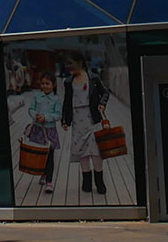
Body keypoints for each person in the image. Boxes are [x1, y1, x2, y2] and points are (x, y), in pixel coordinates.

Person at [62, 60, 113, 196]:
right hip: (78, 119)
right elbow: (66, 101)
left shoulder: (93, 78)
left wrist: (102, 103)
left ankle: (99, 181)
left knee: (96, 151)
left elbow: (105, 93)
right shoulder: (68, 82)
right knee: (82, 151)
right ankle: (86, 182)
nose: (70, 68)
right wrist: (65, 120)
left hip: (93, 117)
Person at [25, 72, 62, 195]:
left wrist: (46, 117)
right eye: (43, 83)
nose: (45, 86)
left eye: (48, 83)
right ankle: (43, 174)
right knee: (40, 154)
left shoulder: (56, 99)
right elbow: (31, 109)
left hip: (49, 130)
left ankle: (49, 181)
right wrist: (35, 115)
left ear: (54, 84)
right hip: (38, 129)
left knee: (50, 155)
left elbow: (58, 114)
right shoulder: (37, 97)